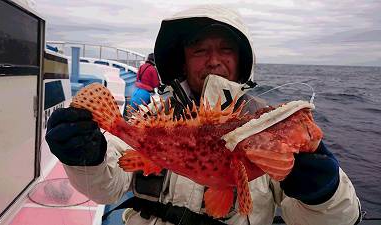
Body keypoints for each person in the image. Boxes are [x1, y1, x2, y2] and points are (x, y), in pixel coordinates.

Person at [46, 5, 362, 225]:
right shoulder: (159, 115)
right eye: (199, 50)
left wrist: (324, 193)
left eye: (225, 50)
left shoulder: (260, 126)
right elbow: (106, 187)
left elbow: (337, 220)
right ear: (182, 62)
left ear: (242, 61)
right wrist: (86, 158)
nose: (213, 60)